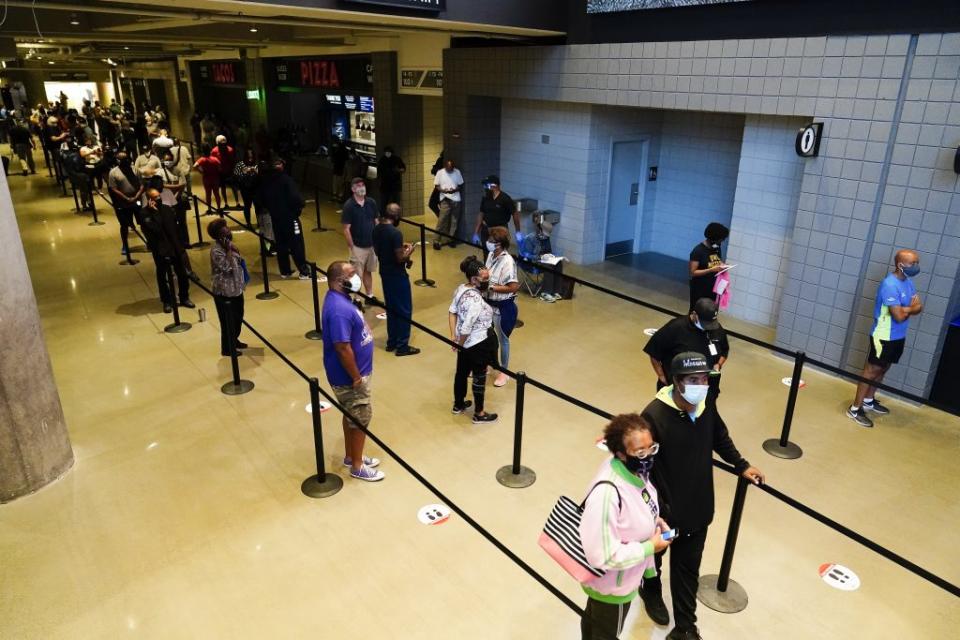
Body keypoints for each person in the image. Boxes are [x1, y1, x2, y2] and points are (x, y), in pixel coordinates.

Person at [638, 352, 764, 640]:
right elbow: (643, 468)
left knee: (687, 571)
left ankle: (685, 628)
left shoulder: (706, 405)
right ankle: (651, 591)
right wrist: (655, 511)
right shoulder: (654, 415)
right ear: (677, 382)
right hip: (665, 517)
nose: (701, 385)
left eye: (704, 379)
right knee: (655, 559)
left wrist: (741, 465)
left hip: (697, 509)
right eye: (694, 380)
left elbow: (718, 436)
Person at [579, 413, 672, 640]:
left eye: (652, 448)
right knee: (604, 631)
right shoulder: (608, 494)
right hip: (612, 587)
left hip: (622, 580)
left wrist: (654, 520)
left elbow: (639, 502)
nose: (648, 456)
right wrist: (650, 547)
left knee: (593, 626)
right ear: (620, 454)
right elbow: (602, 555)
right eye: (640, 452)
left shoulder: (636, 472)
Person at [322, 261, 384, 482]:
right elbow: (342, 347)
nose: (356, 276)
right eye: (351, 274)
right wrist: (356, 376)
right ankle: (357, 467)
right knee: (360, 417)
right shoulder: (338, 310)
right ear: (339, 281)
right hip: (350, 378)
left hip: (355, 374)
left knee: (351, 414)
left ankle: (351, 456)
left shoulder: (342, 299)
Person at [847, 249, 923, 428]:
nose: (917, 267)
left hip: (898, 335)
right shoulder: (889, 285)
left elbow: (919, 307)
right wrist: (909, 309)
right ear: (900, 265)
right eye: (913, 263)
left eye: (917, 262)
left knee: (884, 368)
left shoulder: (908, 283)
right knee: (872, 370)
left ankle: (868, 400)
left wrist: (907, 309)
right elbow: (898, 316)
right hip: (883, 336)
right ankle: (855, 409)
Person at [644, 298, 729, 405]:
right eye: (705, 323)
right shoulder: (675, 328)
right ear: (695, 315)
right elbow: (654, 352)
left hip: (705, 389)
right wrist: (662, 376)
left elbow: (724, 350)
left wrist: (718, 364)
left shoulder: (715, 328)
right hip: (678, 390)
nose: (709, 327)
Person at [448, 256, 499, 424]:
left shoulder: (461, 288)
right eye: (485, 279)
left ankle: (459, 404)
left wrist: (453, 338)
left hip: (464, 343)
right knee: (479, 377)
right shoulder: (476, 301)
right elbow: (467, 327)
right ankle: (479, 413)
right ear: (474, 279)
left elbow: (452, 311)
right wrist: (459, 344)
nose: (488, 281)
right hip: (477, 343)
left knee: (461, 373)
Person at [371, 203, 419, 355]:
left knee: (391, 308)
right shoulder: (395, 233)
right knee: (404, 309)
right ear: (396, 216)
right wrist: (409, 252)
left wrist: (398, 247)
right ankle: (402, 346)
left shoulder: (377, 229)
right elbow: (400, 258)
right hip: (397, 275)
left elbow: (379, 250)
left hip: (384, 272)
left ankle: (391, 342)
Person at [139, 187, 194, 313]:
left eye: (159, 196)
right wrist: (155, 212)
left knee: (182, 273)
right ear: (149, 199)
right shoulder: (144, 213)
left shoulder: (167, 209)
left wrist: (180, 245)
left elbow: (175, 228)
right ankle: (167, 301)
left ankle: (184, 297)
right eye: (155, 197)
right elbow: (156, 229)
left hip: (174, 246)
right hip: (159, 248)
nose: (158, 199)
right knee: (162, 275)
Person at [256, 158, 310, 279]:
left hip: (275, 217)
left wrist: (271, 208)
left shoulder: (266, 181)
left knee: (281, 244)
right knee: (297, 243)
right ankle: (304, 270)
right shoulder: (286, 180)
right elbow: (296, 198)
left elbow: (260, 199)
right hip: (290, 217)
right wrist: (298, 208)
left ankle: (285, 271)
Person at [483, 226, 520, 388]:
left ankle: (504, 372)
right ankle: (488, 363)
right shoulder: (491, 255)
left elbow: (513, 287)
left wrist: (493, 288)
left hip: (502, 307)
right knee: (487, 335)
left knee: (502, 339)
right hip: (488, 304)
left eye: (492, 241)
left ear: (500, 244)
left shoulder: (508, 262)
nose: (489, 243)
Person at [208, 218, 248, 357]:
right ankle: (227, 348)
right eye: (224, 229)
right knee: (228, 321)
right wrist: (229, 252)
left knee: (238, 317)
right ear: (219, 234)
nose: (228, 230)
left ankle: (234, 340)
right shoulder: (216, 251)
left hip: (236, 288)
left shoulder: (229, 244)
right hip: (224, 291)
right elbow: (227, 267)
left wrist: (232, 249)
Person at [341, 177, 379, 298]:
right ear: (353, 189)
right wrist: (352, 247)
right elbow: (346, 228)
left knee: (368, 271)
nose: (361, 187)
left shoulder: (371, 202)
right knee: (356, 275)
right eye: (358, 186)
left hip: (372, 245)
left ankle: (369, 296)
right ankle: (356, 299)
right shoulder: (349, 206)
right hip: (357, 247)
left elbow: (376, 221)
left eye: (363, 185)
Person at [473, 175, 522, 258]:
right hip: (486, 230)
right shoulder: (485, 198)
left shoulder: (505, 199)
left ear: (494, 186)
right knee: (487, 255)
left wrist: (518, 232)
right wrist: (476, 233)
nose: (485, 188)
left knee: (499, 255)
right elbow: (481, 214)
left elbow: (515, 214)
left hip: (500, 231)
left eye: (486, 185)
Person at [107, 150, 143, 259]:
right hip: (123, 202)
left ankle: (150, 242)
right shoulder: (113, 172)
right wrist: (126, 198)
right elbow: (113, 189)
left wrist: (136, 196)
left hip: (136, 199)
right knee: (124, 225)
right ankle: (125, 245)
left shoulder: (135, 169)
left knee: (143, 222)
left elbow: (142, 184)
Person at [688, 222, 729, 311]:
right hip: (700, 288)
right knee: (697, 312)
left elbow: (716, 261)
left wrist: (722, 266)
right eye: (721, 239)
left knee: (710, 312)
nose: (722, 241)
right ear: (714, 238)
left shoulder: (716, 248)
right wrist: (711, 270)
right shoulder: (698, 251)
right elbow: (692, 272)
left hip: (713, 287)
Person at [432, 158, 464, 250]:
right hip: (445, 199)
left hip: (456, 199)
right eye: (448, 168)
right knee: (442, 220)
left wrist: (454, 190)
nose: (450, 170)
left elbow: (460, 185)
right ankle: (436, 240)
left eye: (452, 168)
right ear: (445, 166)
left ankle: (451, 240)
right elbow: (437, 186)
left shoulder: (457, 172)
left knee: (454, 221)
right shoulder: (440, 173)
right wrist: (443, 190)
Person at [193, 143, 222, 212]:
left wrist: (201, 171)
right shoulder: (215, 159)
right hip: (215, 178)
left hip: (206, 178)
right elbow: (220, 168)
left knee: (208, 194)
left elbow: (194, 166)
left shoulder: (202, 159)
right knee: (217, 194)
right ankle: (218, 208)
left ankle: (209, 209)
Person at [211, 134, 238, 207]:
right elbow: (213, 162)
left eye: (224, 144)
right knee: (223, 188)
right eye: (221, 144)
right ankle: (226, 203)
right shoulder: (214, 151)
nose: (223, 146)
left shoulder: (230, 150)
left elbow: (233, 161)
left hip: (229, 171)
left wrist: (234, 170)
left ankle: (237, 202)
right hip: (220, 172)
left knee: (233, 187)